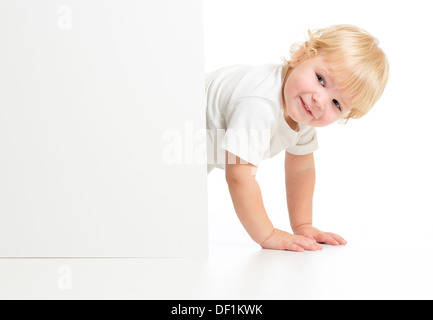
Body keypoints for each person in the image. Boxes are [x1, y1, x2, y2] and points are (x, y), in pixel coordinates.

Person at [205, 25, 389, 252]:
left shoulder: (301, 110)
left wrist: (303, 225)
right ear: (302, 54)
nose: (320, 101)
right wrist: (267, 234)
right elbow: (239, 176)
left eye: (336, 104)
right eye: (321, 79)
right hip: (169, 133)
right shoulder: (260, 103)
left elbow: (300, 168)